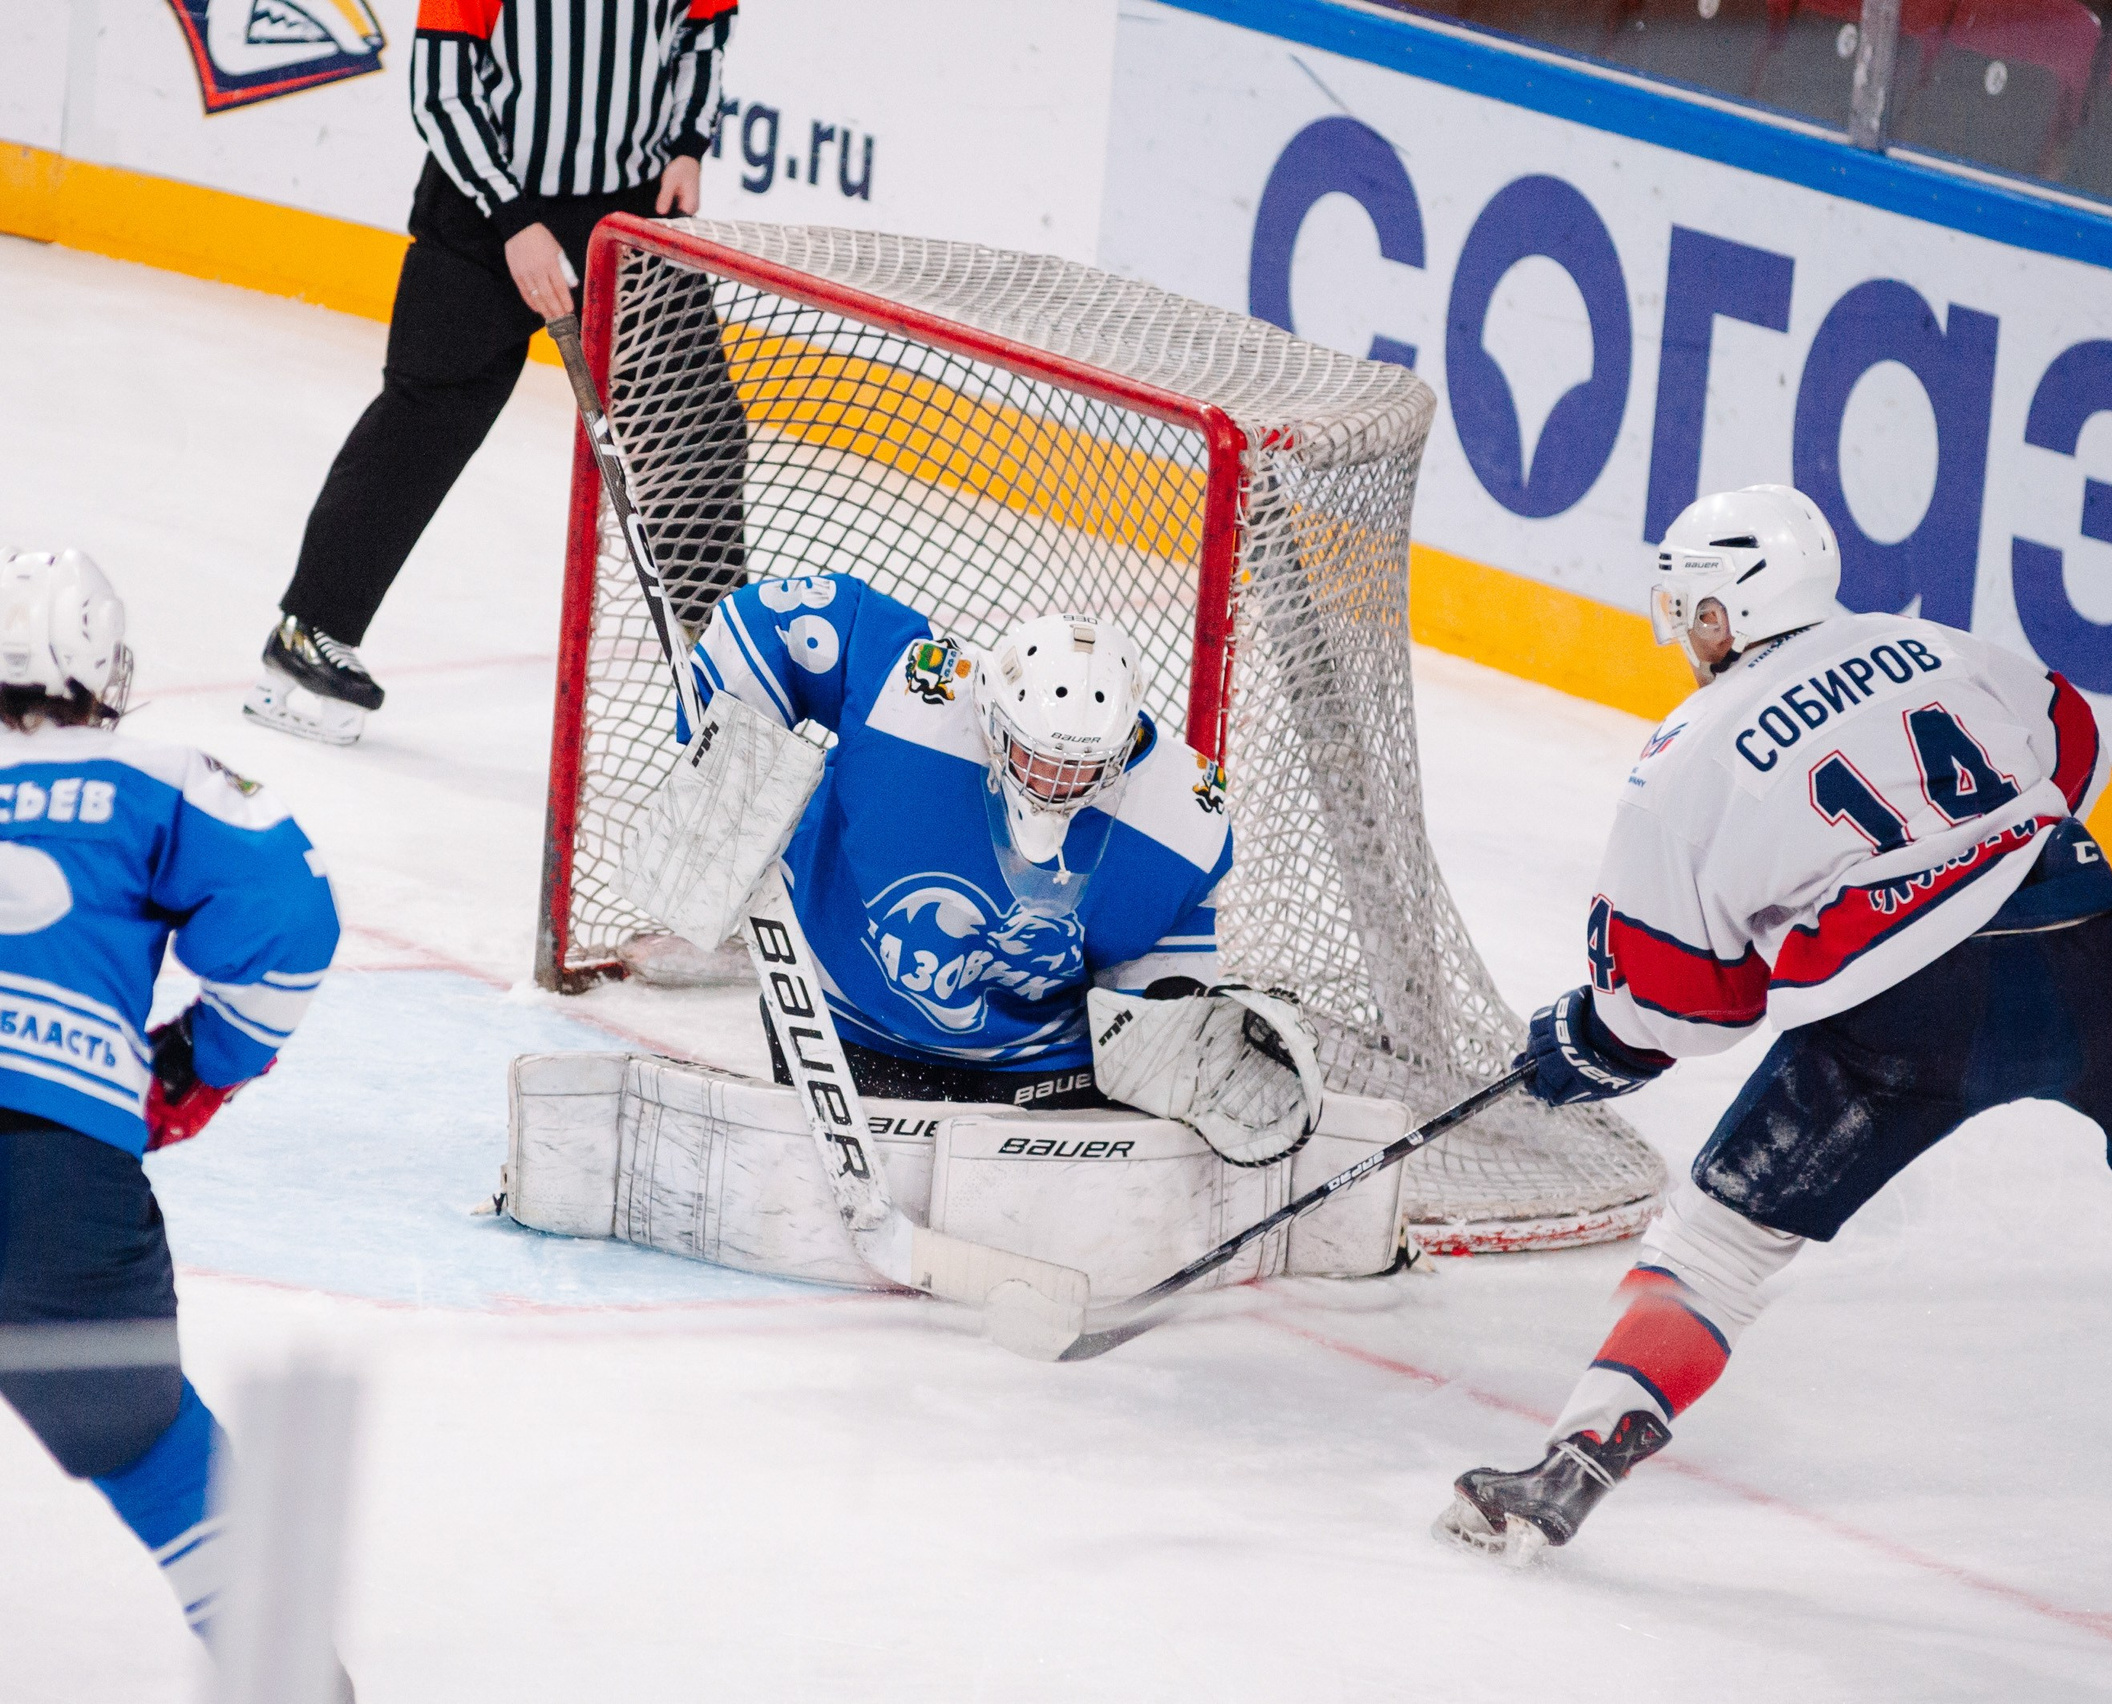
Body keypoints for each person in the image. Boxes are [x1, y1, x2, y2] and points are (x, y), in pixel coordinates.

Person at [1434, 485, 2112, 1561]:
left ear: (1731, 612)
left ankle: (1567, 1472)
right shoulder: (1931, 643)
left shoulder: (1684, 756)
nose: (1684, 634)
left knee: (1715, 1250)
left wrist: (1591, 1040)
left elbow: (1682, 1002)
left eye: (1693, 610)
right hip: (2082, 934)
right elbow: (2072, 750)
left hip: (1901, 1021)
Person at [0, 553, 342, 1656]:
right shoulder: (161, 774)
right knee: (150, 1451)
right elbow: (292, 914)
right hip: (52, 1183)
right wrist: (201, 1058)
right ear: (108, 670)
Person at [250, 0, 745, 746]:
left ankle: (733, 675)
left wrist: (686, 145)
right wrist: (513, 219)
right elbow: (441, 90)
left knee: (694, 432)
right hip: (485, 210)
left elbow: (701, 34)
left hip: (626, 209)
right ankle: (310, 630)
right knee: (427, 415)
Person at [681, 574, 1233, 1109]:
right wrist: (723, 766)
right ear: (993, 712)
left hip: (1039, 1069)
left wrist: (1193, 1047)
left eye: (1082, 767)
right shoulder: (910, 693)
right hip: (839, 1017)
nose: (1053, 785)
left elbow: (1157, 1006)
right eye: (1035, 755)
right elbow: (772, 623)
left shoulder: (1181, 818)